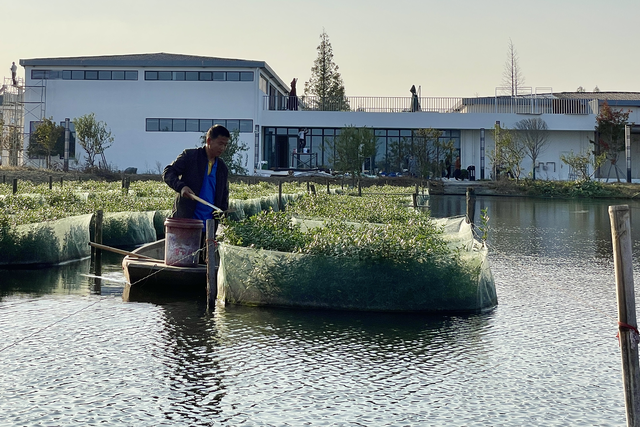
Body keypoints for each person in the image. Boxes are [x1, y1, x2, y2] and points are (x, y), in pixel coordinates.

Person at [163, 124, 230, 240]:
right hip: (186, 222)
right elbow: (168, 172)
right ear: (209, 140)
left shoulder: (222, 168)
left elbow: (224, 196)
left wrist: (222, 216)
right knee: (185, 256)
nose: (223, 148)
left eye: (225, 145)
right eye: (220, 143)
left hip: (209, 226)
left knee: (204, 257)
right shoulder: (190, 156)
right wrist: (181, 187)